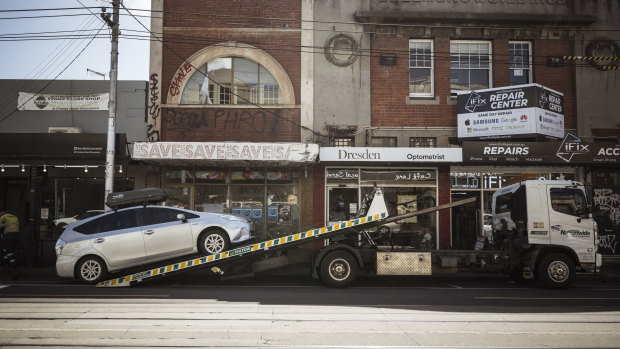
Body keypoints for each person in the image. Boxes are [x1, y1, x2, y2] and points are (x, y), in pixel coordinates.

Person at [0, 208, 20, 280]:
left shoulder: (3, 217)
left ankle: (14, 267)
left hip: (8, 236)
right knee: (8, 250)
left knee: (8, 252)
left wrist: (2, 234)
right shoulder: (15, 217)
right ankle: (7, 265)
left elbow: (1, 228)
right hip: (16, 236)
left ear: (2, 212)